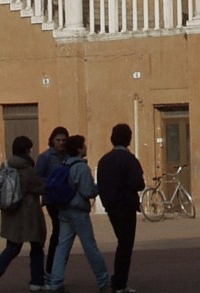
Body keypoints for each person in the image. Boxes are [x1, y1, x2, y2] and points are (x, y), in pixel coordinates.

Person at [0, 136, 47, 292]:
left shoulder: (5, 166)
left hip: (10, 213)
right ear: (26, 150)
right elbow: (40, 187)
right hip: (28, 214)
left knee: (12, 247)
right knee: (37, 246)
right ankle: (36, 281)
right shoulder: (27, 169)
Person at [48, 135, 110, 293]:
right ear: (78, 149)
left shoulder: (66, 165)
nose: (86, 148)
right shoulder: (81, 167)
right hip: (78, 211)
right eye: (83, 145)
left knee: (62, 246)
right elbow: (87, 191)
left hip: (64, 210)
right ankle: (103, 279)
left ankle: (55, 281)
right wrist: (98, 188)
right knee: (90, 247)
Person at [97, 124, 145, 293]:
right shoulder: (129, 160)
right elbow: (138, 183)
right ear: (129, 139)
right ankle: (120, 283)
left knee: (121, 242)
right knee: (125, 245)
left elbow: (101, 185)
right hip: (126, 206)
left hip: (111, 207)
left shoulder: (104, 160)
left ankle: (118, 279)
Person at [35, 127, 69, 282]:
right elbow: (38, 176)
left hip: (66, 199)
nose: (61, 143)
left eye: (63, 140)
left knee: (63, 235)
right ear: (52, 140)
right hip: (52, 199)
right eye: (58, 140)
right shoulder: (46, 157)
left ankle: (56, 270)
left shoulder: (68, 156)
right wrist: (51, 184)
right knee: (58, 232)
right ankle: (50, 270)